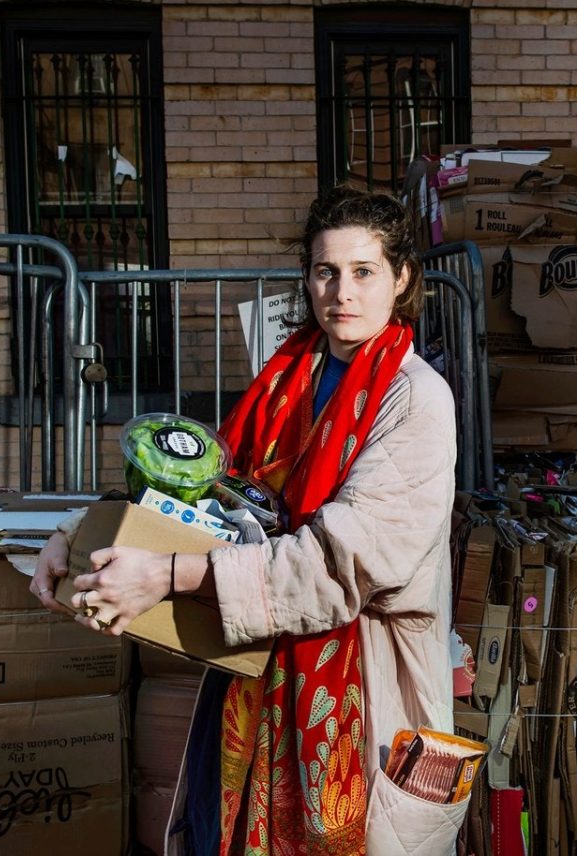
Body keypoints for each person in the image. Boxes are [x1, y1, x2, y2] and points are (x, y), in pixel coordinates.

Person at [32, 186, 465, 855]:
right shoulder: (291, 377)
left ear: (402, 278)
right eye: (326, 271)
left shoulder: (417, 402)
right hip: (252, 686)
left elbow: (335, 564)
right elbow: (207, 496)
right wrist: (79, 538)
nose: (341, 292)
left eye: (363, 271)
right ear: (306, 278)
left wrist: (169, 575)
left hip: (358, 697)